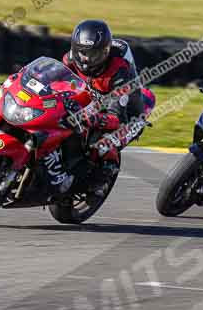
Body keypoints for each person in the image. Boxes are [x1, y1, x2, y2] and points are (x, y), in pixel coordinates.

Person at [41, 19, 145, 196]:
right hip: (93, 101)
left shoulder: (119, 73)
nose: (87, 59)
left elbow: (117, 117)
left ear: (105, 52)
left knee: (102, 142)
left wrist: (94, 119)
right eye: (82, 53)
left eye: (94, 54)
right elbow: (52, 79)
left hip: (127, 116)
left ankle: (102, 178)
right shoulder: (71, 59)